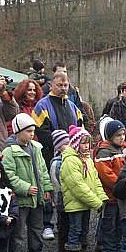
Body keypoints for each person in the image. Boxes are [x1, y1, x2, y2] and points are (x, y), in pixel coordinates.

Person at [32, 72, 83, 240]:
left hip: (71, 155)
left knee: (66, 189)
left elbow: (81, 129)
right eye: (59, 85)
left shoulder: (73, 106)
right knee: (49, 189)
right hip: (49, 154)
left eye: (65, 85)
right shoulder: (42, 105)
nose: (63, 88)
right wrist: (60, 145)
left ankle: (65, 223)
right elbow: (41, 131)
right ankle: (47, 224)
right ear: (52, 86)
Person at [2, 113, 53, 252]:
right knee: (18, 230)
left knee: (36, 226)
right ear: (18, 131)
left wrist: (46, 188)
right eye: (28, 131)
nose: (32, 134)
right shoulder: (10, 151)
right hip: (21, 198)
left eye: (33, 131)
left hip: (36, 196)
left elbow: (43, 169)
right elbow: (9, 174)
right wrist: (24, 188)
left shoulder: (36, 148)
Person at [61, 126, 108, 252]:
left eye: (88, 143)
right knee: (75, 230)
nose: (86, 146)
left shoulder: (87, 160)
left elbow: (95, 180)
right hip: (75, 203)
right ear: (75, 144)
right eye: (83, 143)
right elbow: (77, 186)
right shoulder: (70, 161)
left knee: (84, 230)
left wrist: (102, 197)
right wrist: (95, 202)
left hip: (86, 203)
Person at [94, 118, 126, 252]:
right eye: (118, 135)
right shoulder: (104, 152)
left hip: (121, 194)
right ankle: (108, 249)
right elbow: (106, 174)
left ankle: (118, 247)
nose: (122, 138)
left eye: (123, 134)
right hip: (111, 194)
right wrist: (120, 186)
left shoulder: (123, 149)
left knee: (120, 223)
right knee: (109, 223)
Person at [49, 129, 71, 252]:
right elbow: (55, 182)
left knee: (70, 223)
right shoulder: (56, 162)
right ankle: (62, 249)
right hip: (62, 198)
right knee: (63, 224)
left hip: (71, 197)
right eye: (65, 144)